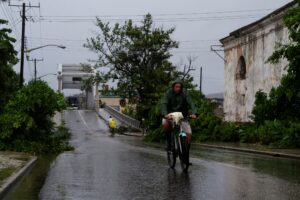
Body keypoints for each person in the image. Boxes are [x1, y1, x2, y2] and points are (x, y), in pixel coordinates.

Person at [160, 80, 197, 152]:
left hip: (182, 115)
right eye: (176, 87)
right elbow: (164, 103)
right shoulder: (168, 93)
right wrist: (165, 114)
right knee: (166, 124)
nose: (178, 88)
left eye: (180, 87)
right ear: (173, 87)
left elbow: (191, 102)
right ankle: (169, 143)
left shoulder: (185, 93)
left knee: (188, 135)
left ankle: (186, 157)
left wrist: (194, 113)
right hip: (170, 115)